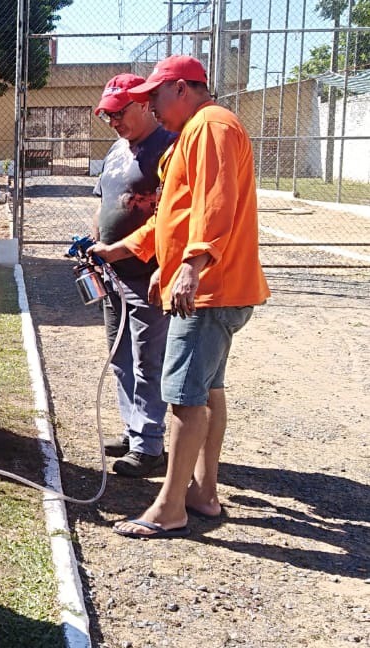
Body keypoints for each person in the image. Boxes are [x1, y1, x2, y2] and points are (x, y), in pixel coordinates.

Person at [90, 55, 270, 539]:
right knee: (208, 390)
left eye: (154, 95)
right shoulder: (196, 132)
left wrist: (190, 267)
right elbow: (174, 213)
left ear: (182, 89)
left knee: (183, 401)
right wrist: (133, 251)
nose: (149, 103)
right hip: (211, 287)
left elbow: (216, 204)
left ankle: (170, 507)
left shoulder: (211, 126)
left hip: (209, 292)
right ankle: (203, 493)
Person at [92, 74, 177, 478]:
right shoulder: (116, 150)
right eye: (107, 114)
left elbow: (172, 218)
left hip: (149, 274)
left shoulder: (169, 147)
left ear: (144, 104)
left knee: (149, 359)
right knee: (121, 357)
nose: (113, 121)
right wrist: (96, 245)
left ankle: (149, 445)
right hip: (113, 271)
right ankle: (134, 430)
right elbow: (103, 202)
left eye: (119, 112)